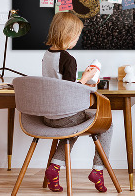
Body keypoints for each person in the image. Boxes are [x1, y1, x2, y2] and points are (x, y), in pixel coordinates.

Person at [42, 12, 113, 193]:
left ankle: (55, 168)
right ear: (68, 35)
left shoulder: (47, 55)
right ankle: (98, 170)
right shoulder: (68, 59)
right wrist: (86, 78)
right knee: (107, 124)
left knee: (72, 128)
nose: (77, 39)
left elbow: (59, 84)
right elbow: (70, 91)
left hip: (48, 116)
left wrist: (83, 80)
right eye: (77, 36)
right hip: (65, 116)